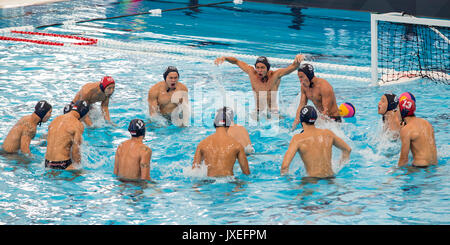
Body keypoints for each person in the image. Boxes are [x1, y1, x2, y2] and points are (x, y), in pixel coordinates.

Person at [214, 54, 304, 116]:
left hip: (272, 113)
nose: (259, 70)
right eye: (257, 67)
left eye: (262, 68)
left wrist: (298, 59)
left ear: (267, 68)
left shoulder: (276, 75)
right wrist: (225, 58)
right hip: (257, 113)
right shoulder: (252, 73)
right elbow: (237, 61)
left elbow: (293, 67)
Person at [281, 105, 351, 178]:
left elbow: (284, 167)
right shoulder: (328, 134)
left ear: (301, 120)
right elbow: (347, 149)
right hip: (330, 178)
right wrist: (339, 166)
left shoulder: (297, 139)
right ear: (315, 119)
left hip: (311, 181)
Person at [192, 107, 250, 177]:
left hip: (208, 182)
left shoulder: (202, 144)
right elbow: (246, 173)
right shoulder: (237, 145)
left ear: (215, 125)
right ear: (228, 125)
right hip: (229, 182)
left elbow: (194, 173)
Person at [292, 64, 340, 130]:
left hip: (333, 120)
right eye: (299, 77)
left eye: (302, 77)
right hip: (321, 118)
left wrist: (314, 124)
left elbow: (326, 111)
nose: (300, 80)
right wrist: (296, 120)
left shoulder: (324, 87)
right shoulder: (304, 86)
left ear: (309, 75)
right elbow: (301, 105)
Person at [44, 100, 89, 170]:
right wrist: (78, 168)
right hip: (63, 163)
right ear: (84, 113)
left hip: (47, 163)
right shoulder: (78, 124)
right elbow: (75, 150)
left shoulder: (55, 120)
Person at [397, 98, 437, 167]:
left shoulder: (406, 130)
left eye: (397, 110)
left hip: (419, 168)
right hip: (434, 166)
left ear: (402, 112)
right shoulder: (426, 123)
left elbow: (404, 159)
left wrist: (396, 174)